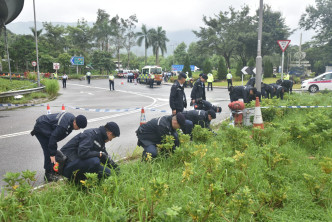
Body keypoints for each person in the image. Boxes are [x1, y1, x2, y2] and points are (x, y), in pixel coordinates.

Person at [30, 113, 87, 182]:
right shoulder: (64, 126)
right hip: (41, 128)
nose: (78, 129)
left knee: (52, 149)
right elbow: (53, 138)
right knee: (48, 151)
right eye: (79, 127)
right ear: (75, 122)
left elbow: (55, 137)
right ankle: (48, 175)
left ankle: (54, 168)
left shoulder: (71, 120)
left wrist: (53, 152)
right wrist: (52, 154)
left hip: (47, 126)